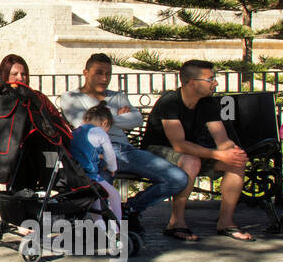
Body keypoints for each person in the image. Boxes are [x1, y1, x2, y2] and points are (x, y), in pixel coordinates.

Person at [59, 53, 188, 234]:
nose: (104, 78)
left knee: (178, 178)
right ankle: (110, 226)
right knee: (101, 194)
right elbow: (86, 126)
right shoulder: (70, 97)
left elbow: (136, 119)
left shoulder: (117, 96)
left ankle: (132, 208)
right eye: (99, 73)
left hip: (124, 150)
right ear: (86, 73)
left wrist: (104, 116)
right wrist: (118, 115)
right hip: (97, 154)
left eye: (108, 74)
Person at [140, 59, 253, 242]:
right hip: (156, 153)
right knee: (191, 161)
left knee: (235, 163)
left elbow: (221, 139)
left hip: (191, 151)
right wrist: (218, 154)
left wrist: (233, 151)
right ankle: (176, 222)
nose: (215, 83)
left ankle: (226, 222)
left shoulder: (207, 103)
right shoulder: (170, 102)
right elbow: (178, 144)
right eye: (210, 79)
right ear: (192, 83)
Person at [69, 103, 122, 232]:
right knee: (114, 195)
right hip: (90, 174)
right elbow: (110, 154)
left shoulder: (77, 130)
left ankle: (99, 223)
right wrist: (112, 168)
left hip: (74, 173)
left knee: (94, 196)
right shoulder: (99, 132)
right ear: (105, 123)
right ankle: (118, 227)